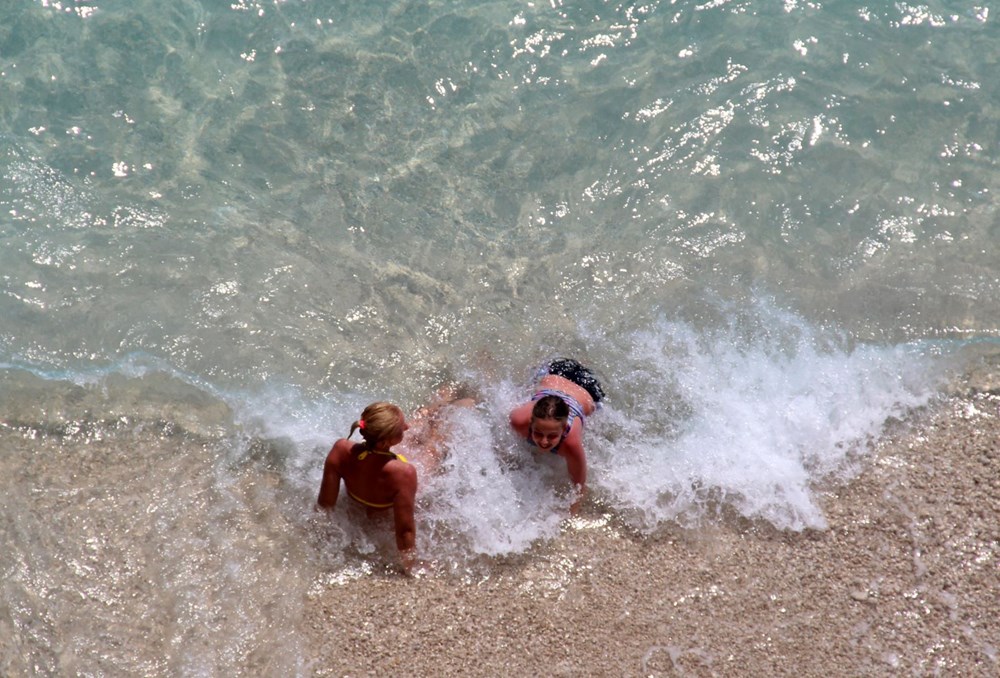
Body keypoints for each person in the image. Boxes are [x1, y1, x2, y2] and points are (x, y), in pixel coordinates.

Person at [316, 401, 418, 573]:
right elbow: (404, 531)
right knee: (434, 443)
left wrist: (322, 539)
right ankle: (451, 399)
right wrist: (410, 568)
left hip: (372, 475)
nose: (407, 427)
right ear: (385, 442)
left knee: (421, 423)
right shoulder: (404, 473)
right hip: (392, 478)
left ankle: (439, 402)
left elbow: (325, 504)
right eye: (402, 428)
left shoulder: (340, 449)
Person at [508, 358, 604, 512]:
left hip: (587, 389)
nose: (544, 442)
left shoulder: (571, 443)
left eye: (552, 436)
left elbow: (579, 487)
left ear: (564, 428)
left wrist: (573, 514)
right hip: (555, 372)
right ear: (531, 423)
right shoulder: (518, 421)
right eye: (538, 433)